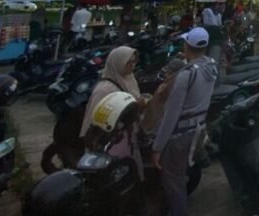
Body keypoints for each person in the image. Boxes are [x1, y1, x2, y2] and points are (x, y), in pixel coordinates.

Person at [153, 27, 217, 216]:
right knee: (179, 176)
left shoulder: (186, 75)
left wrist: (157, 147)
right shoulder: (211, 67)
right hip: (198, 129)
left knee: (173, 181)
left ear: (186, 46)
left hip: (180, 135)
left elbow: (171, 115)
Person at [80, 46, 144, 179]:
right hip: (109, 142)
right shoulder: (105, 90)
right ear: (117, 63)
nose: (132, 66)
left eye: (134, 62)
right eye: (128, 62)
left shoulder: (128, 79)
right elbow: (96, 121)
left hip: (126, 138)